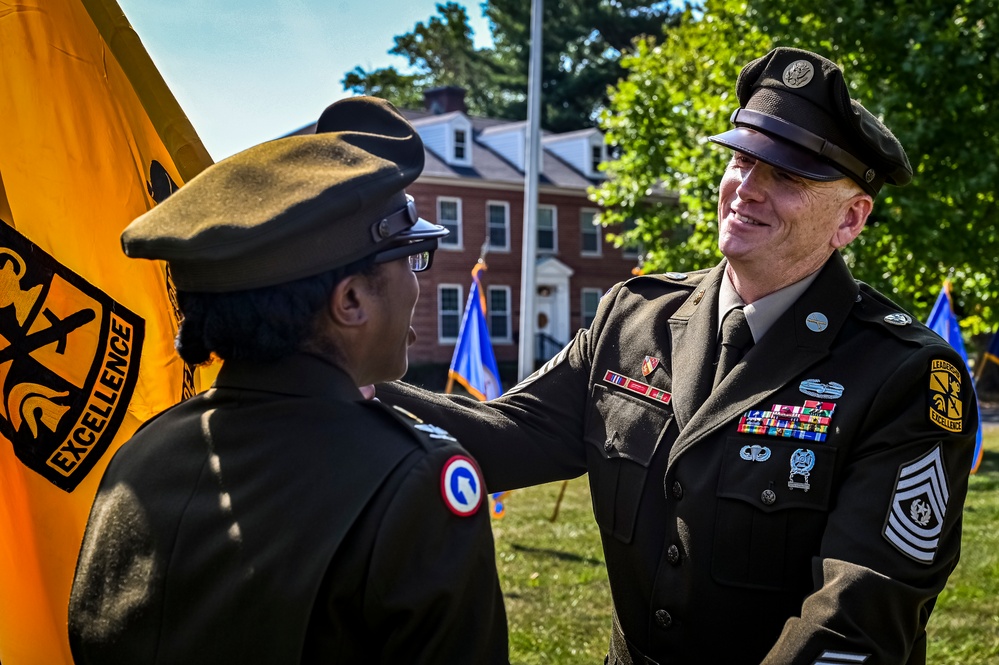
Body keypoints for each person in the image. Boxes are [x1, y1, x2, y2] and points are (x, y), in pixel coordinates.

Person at [377, 48, 978, 664]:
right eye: (743, 161)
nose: (747, 189)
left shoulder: (905, 374)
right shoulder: (633, 316)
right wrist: (345, 381)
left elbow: (857, 620)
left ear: (851, 218)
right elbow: (506, 435)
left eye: (788, 177)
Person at [67, 97, 509, 664]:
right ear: (351, 300)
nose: (417, 285)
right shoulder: (413, 484)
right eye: (412, 258)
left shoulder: (141, 453)